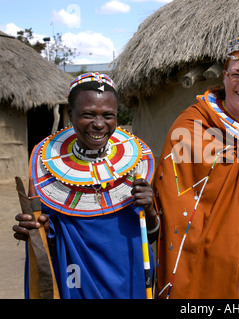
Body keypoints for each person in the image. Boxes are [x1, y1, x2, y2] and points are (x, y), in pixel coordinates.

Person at [153, 34, 239, 299]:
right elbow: (176, 205)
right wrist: (224, 240)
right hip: (204, 263)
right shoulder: (191, 127)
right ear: (224, 76)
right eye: (236, 74)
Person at [13, 72, 158, 299]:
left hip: (128, 275)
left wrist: (150, 209)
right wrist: (34, 230)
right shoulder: (46, 168)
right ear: (70, 114)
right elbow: (49, 232)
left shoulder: (137, 167)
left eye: (108, 115)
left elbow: (151, 235)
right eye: (88, 114)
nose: (99, 124)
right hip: (76, 275)